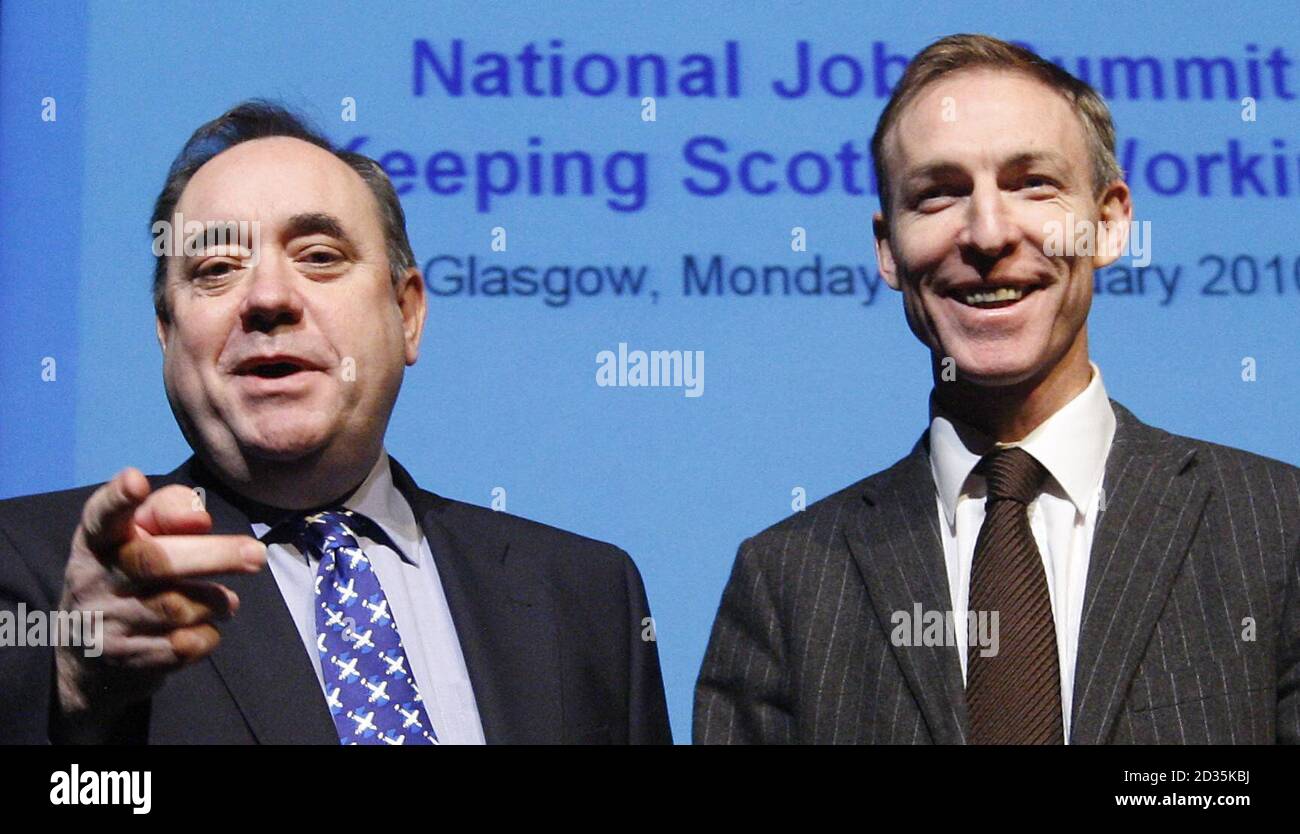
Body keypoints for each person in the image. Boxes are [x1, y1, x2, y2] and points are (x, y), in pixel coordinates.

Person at [0, 100, 671, 745]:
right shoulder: (34, 569)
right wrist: (77, 692)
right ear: (167, 334)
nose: (267, 298)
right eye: (216, 268)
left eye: (320, 256)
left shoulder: (587, 591)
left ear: (407, 313)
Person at [694, 34, 1299, 744]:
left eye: (1032, 185)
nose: (986, 233)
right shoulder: (786, 583)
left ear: (1108, 223)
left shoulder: (1276, 531)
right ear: (888, 249)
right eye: (939, 194)